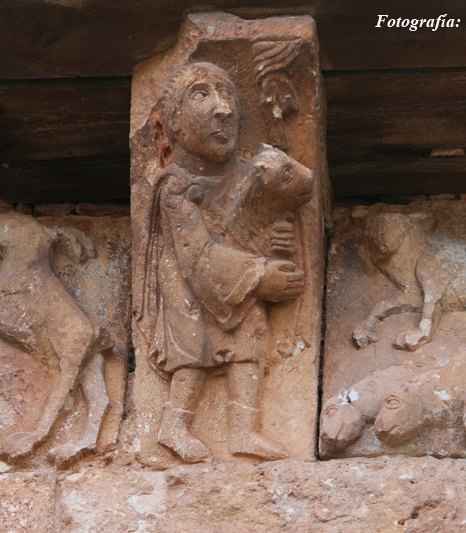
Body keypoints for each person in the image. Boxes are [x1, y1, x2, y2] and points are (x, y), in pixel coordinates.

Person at [136, 62, 304, 462]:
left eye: (228, 95)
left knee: (251, 333)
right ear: (173, 123)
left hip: (232, 277)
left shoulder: (243, 175)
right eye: (201, 95)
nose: (223, 108)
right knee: (192, 352)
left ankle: (243, 431)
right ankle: (173, 426)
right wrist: (261, 275)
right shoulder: (173, 186)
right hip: (185, 282)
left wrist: (276, 241)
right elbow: (195, 253)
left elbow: (244, 231)